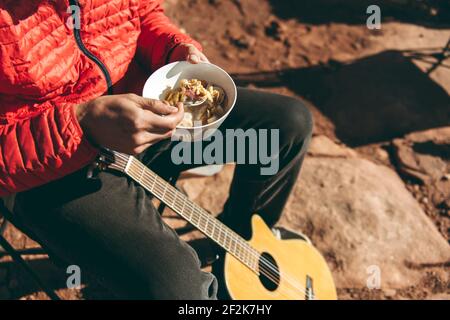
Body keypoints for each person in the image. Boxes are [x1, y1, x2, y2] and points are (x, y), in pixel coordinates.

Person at [0, 0, 312, 299]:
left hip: (146, 119)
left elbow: (143, 15)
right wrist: (81, 124)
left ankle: (236, 251)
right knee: (180, 288)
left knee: (284, 127)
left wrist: (174, 50)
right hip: (51, 171)